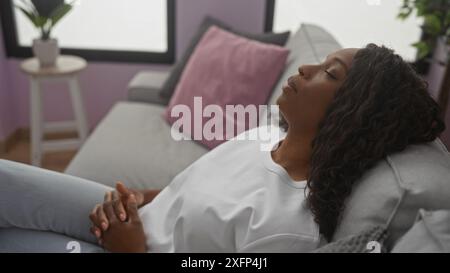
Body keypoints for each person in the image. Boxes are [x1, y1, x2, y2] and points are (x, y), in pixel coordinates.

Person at [0, 44, 445, 253]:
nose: (306, 68)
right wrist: (134, 201)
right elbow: (188, 186)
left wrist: (131, 249)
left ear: (352, 113)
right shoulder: (266, 135)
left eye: (328, 73)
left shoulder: (286, 229)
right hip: (129, 224)